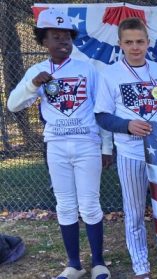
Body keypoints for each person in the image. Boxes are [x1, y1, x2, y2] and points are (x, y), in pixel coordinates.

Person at [7, 9, 112, 279]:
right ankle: (74, 265)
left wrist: (106, 147)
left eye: (67, 37)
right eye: (56, 37)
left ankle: (99, 263)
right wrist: (32, 85)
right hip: (56, 145)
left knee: (90, 204)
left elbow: (102, 109)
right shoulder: (37, 70)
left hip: (86, 143)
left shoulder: (87, 68)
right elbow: (13, 104)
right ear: (44, 41)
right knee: (65, 205)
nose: (63, 41)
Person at [94, 17, 157, 279]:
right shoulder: (110, 74)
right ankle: (141, 267)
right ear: (120, 44)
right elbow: (101, 116)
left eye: (140, 41)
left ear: (148, 43)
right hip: (130, 153)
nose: (135, 47)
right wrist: (127, 125)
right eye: (129, 42)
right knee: (133, 213)